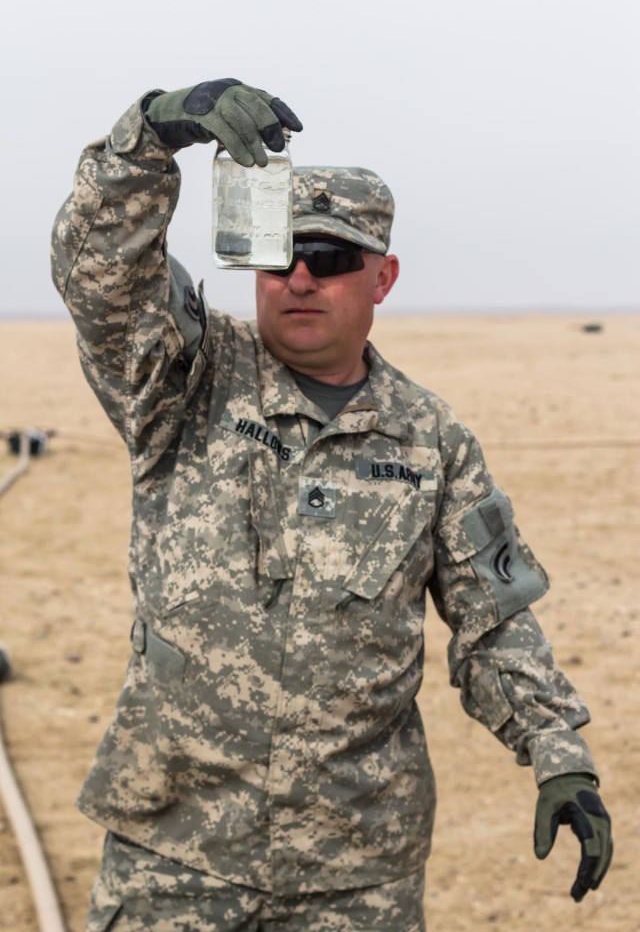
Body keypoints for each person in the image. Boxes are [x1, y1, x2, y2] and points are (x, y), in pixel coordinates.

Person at [51, 79, 612, 932]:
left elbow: (492, 624)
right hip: (175, 854)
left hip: (356, 874)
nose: (301, 277)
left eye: (333, 258)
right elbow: (99, 274)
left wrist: (558, 754)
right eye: (281, 256)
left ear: (382, 277)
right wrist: (150, 137)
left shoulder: (432, 441)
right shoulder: (182, 379)